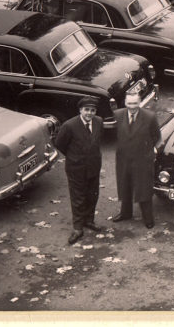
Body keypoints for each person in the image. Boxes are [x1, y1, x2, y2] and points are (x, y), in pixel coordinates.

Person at [54, 97, 104, 245]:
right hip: (76, 168)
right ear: (80, 110)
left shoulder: (99, 122)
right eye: (86, 110)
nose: (89, 113)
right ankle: (78, 228)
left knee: (92, 194)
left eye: (93, 110)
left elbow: (98, 140)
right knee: (78, 198)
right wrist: (75, 157)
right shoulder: (69, 126)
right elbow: (60, 144)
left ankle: (89, 220)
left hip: (94, 165)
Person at [112, 92, 160, 229]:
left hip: (143, 159)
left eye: (135, 103)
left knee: (143, 188)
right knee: (124, 185)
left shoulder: (149, 117)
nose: (132, 106)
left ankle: (148, 218)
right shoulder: (118, 115)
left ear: (140, 103)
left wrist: (150, 152)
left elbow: (157, 137)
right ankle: (125, 213)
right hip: (124, 159)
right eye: (129, 103)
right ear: (125, 103)